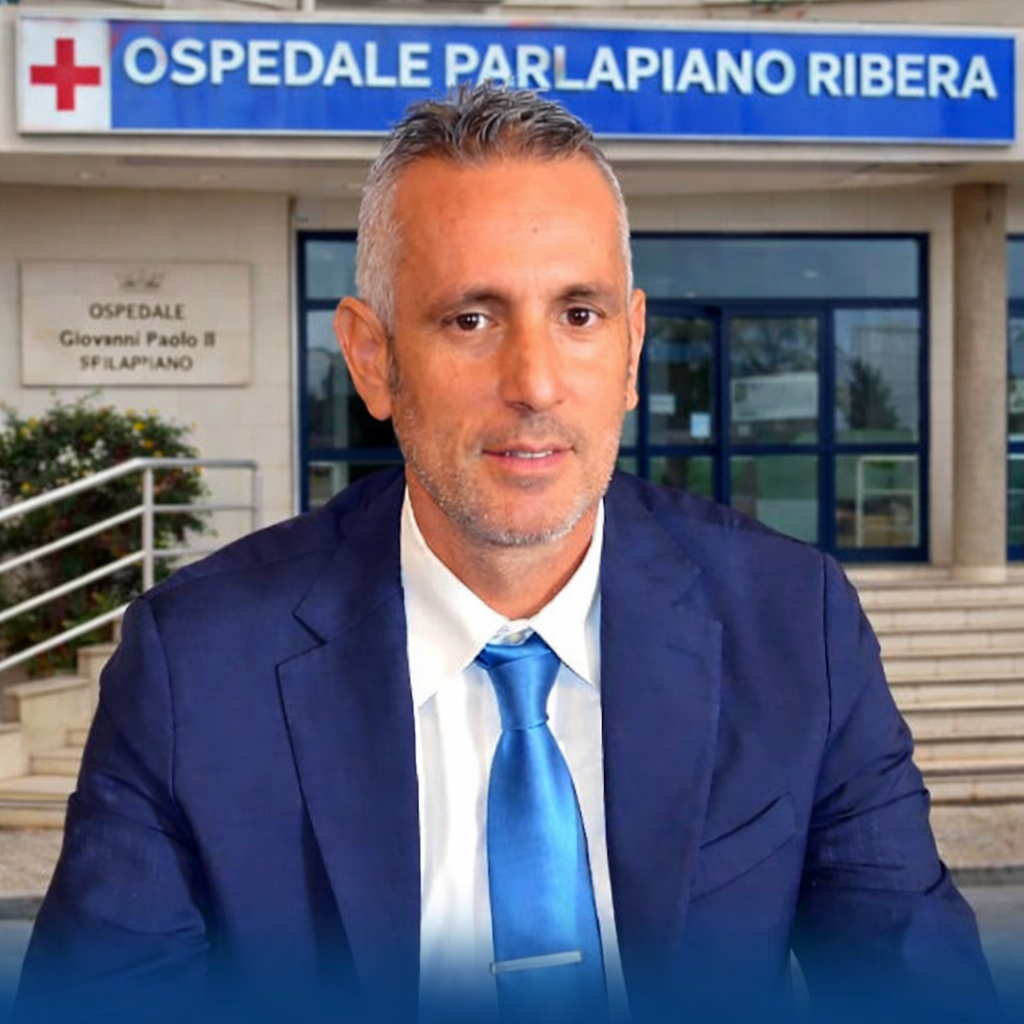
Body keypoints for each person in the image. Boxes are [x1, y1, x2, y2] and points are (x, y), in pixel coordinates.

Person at [16, 84, 998, 1024]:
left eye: (578, 316)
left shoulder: (791, 626)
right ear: (372, 358)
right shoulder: (196, 667)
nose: (534, 382)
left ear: (630, 348)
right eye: (471, 319)